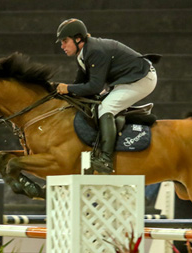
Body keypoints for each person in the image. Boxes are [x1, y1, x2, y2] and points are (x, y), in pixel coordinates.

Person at [55, 18, 158, 174]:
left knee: (105, 108)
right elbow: (81, 84)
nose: (62, 46)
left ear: (78, 39)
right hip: (127, 78)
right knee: (97, 104)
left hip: (141, 78)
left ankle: (106, 159)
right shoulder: (84, 53)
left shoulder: (95, 51)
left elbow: (95, 87)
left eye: (65, 41)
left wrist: (67, 88)